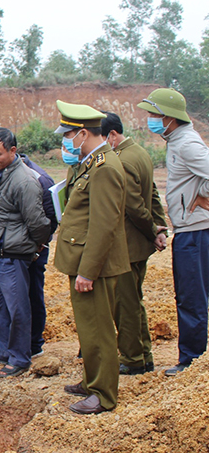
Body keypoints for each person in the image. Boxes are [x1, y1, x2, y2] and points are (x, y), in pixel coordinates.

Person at [53, 101, 129, 415]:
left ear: (83, 133)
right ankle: (92, 381)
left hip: (94, 265)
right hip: (84, 260)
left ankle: (103, 395)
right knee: (89, 329)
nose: (66, 141)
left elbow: (103, 224)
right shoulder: (91, 162)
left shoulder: (105, 167)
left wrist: (88, 271)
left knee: (98, 330)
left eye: (69, 135)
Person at [137, 88, 209, 377]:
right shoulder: (176, 139)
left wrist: (202, 197)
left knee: (191, 297)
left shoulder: (187, 144)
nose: (151, 120)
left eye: (155, 115)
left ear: (170, 117)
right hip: (190, 229)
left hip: (195, 232)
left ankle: (191, 361)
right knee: (190, 296)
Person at [0, 128, 51, 378]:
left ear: (12, 151)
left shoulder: (24, 181)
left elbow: (38, 222)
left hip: (15, 254)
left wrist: (36, 246)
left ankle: (20, 357)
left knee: (17, 307)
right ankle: (4, 350)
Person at [102, 111, 168, 375]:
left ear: (113, 136)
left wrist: (153, 230)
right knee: (134, 300)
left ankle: (132, 359)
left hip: (128, 245)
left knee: (125, 304)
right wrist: (159, 226)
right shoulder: (140, 152)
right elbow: (152, 194)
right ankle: (144, 355)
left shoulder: (123, 160)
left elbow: (134, 207)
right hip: (139, 244)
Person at [18, 152, 59, 357]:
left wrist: (40, 244)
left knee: (32, 292)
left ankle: (34, 343)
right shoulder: (5, 172)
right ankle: (17, 339)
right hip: (15, 246)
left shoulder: (40, 178)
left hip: (35, 248)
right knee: (16, 294)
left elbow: (50, 217)